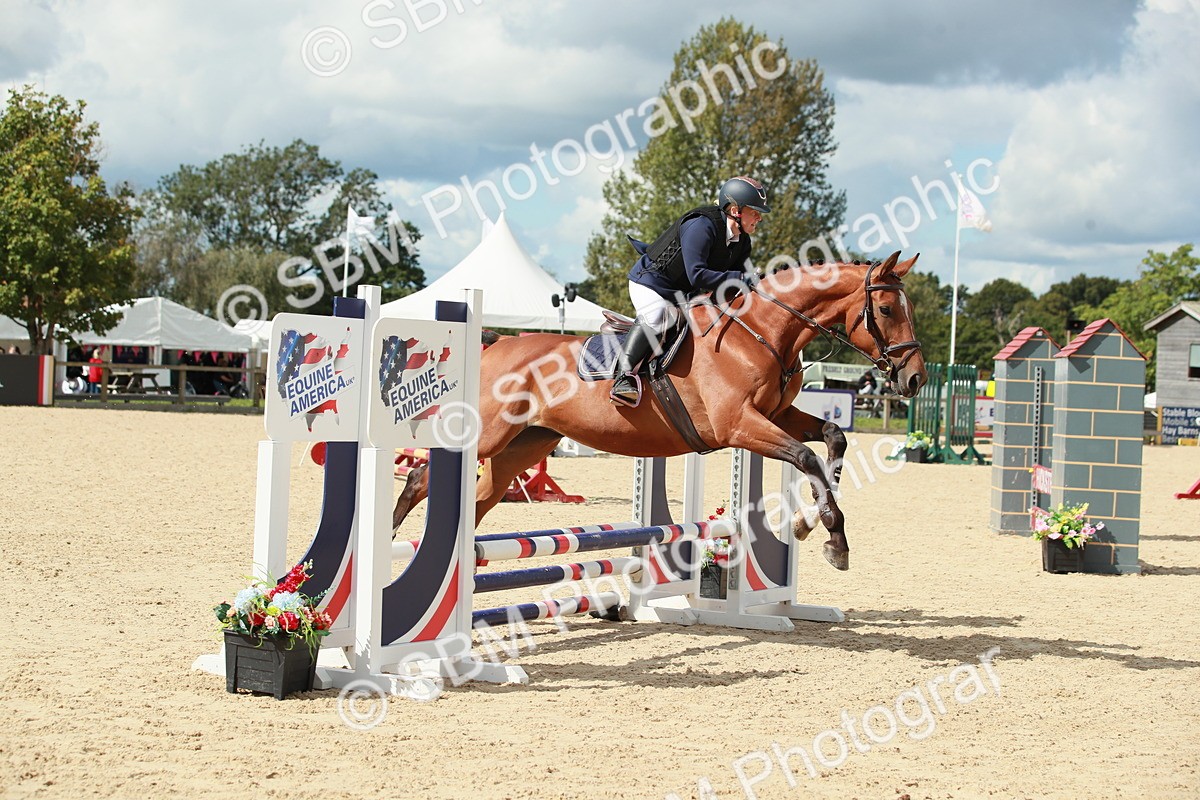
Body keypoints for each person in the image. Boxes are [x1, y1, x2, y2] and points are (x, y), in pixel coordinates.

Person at [611, 175, 769, 406]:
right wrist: (742, 278)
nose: (759, 218)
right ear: (735, 210)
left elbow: (736, 286)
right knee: (657, 318)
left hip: (684, 292)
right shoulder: (701, 226)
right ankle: (623, 378)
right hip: (652, 283)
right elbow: (698, 274)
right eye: (755, 211)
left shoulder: (742, 242)